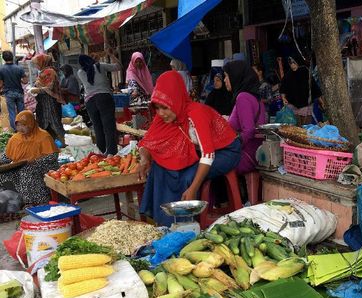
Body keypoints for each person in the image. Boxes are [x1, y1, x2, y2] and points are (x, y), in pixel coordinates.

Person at [137, 71, 241, 227]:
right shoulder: (168, 114)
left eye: (164, 108)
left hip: (226, 151)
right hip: (204, 152)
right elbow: (149, 141)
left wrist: (193, 188)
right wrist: (145, 158)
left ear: (175, 99)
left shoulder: (196, 113)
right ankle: (163, 220)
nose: (161, 113)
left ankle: (185, 221)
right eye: (157, 108)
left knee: (188, 176)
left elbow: (208, 154)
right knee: (160, 166)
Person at [0, 110, 58, 206]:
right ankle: (20, 200)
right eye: (18, 125)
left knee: (27, 171)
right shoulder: (15, 139)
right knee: (5, 174)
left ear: (31, 123)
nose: (20, 128)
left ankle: (39, 201)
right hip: (21, 166)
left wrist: (35, 162)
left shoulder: (43, 136)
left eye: (23, 125)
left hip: (43, 165)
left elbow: (53, 156)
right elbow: (7, 157)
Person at [223, 60, 265, 175]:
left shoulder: (243, 97)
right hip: (257, 152)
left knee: (206, 166)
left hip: (246, 155)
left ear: (236, 76)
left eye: (226, 76)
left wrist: (230, 145)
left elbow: (249, 130)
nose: (224, 80)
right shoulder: (256, 98)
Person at [77, 49, 121, 155]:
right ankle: (111, 152)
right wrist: (111, 54)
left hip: (90, 102)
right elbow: (118, 66)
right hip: (104, 98)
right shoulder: (100, 66)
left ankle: (101, 152)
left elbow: (90, 69)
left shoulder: (80, 72)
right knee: (108, 126)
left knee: (98, 127)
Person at [30, 54, 66, 144]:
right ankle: (49, 147)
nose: (36, 66)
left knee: (55, 124)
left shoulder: (49, 72)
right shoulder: (43, 72)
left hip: (50, 103)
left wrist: (37, 90)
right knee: (45, 126)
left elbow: (50, 87)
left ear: (42, 62)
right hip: (44, 103)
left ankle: (64, 145)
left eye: (37, 63)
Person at [280, 56, 322, 125]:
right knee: (296, 128)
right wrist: (283, 98)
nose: (292, 65)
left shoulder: (305, 71)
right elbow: (283, 88)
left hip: (306, 105)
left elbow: (314, 86)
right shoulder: (288, 75)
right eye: (290, 64)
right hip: (293, 106)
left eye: (294, 63)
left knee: (306, 128)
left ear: (298, 62)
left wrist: (321, 101)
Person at [0, 51, 27, 130]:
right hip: (19, 92)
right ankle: (24, 129)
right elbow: (25, 81)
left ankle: (16, 130)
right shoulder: (19, 68)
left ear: (4, 58)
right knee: (21, 112)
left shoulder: (1, 69)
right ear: (12, 57)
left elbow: (0, 84)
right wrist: (19, 80)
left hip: (9, 93)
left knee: (12, 113)